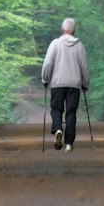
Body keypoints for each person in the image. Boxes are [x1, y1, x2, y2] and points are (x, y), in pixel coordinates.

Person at [41, 17, 89, 151]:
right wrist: (85, 83)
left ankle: (57, 130)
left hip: (57, 83)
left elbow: (48, 63)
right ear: (74, 30)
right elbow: (84, 66)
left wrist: (45, 79)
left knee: (56, 109)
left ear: (62, 29)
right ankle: (69, 143)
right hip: (74, 84)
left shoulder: (55, 44)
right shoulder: (79, 45)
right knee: (71, 113)